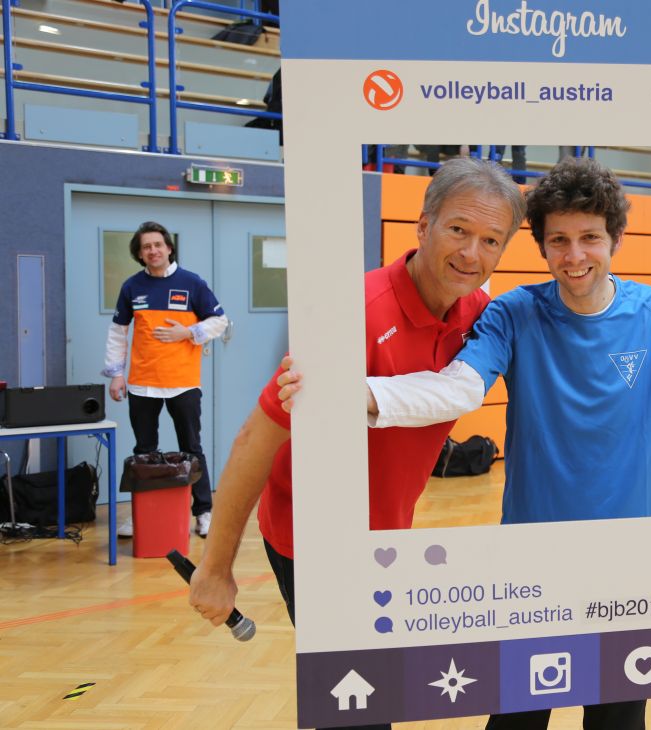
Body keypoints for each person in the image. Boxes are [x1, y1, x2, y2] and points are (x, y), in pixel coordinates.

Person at [332, 157, 651, 730]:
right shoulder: (514, 312)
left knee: (616, 722)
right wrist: (350, 394)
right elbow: (459, 388)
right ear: (541, 247)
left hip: (628, 566)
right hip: (530, 566)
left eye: (590, 238)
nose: (574, 255)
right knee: (516, 721)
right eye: (558, 240)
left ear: (616, 240)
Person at [188, 158, 526, 730]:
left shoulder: (479, 316)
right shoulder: (356, 311)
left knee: (370, 696)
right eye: (458, 230)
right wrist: (216, 567)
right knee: (359, 705)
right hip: (313, 538)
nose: (472, 253)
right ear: (424, 226)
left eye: (491, 240)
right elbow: (256, 438)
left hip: (387, 535)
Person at [103, 221, 227, 539]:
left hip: (183, 382)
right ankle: (141, 514)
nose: (153, 250)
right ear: (139, 254)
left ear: (169, 248)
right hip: (142, 384)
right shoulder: (132, 287)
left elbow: (220, 321)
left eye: (158, 244)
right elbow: (117, 333)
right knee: (144, 451)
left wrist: (188, 332)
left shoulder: (192, 283)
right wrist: (116, 375)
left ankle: (203, 512)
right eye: (146, 247)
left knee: (192, 448)